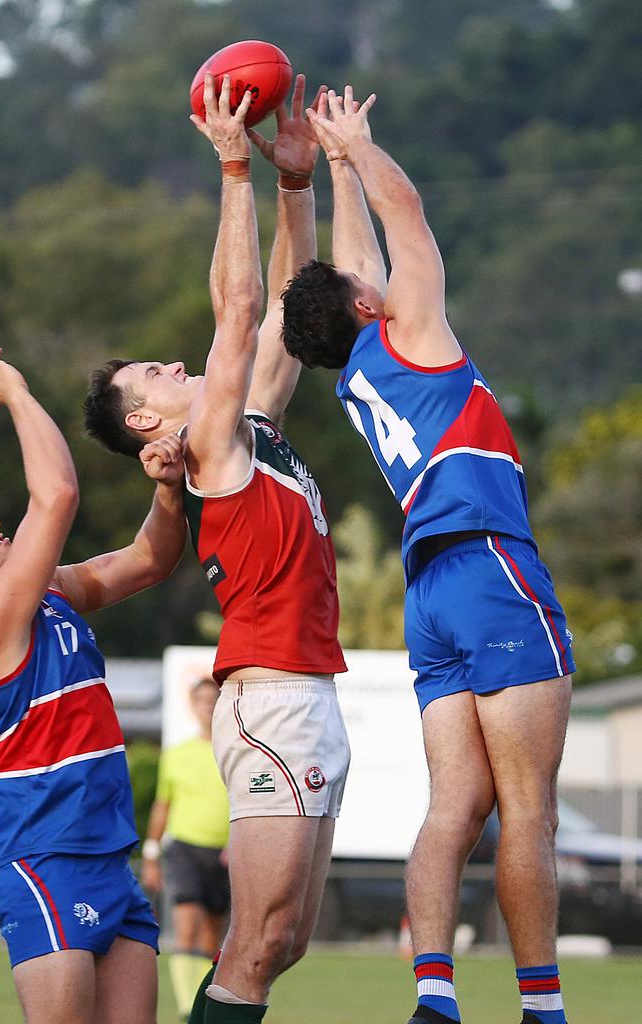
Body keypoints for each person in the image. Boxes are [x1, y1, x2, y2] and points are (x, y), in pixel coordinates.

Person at [281, 88, 575, 1024]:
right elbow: (404, 224)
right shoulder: (415, 336)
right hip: (490, 568)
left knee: (455, 807)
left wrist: (331, 166)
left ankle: (435, 999)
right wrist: (364, 151)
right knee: (528, 811)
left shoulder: (360, 371)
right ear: (370, 305)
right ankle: (543, 1010)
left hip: (429, 591)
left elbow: (358, 261)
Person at [84, 74, 350, 1024]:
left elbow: (286, 312)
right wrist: (232, 166)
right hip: (270, 698)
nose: (173, 360)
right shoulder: (209, 448)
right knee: (254, 939)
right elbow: (237, 310)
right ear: (149, 418)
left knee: (285, 941)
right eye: (152, 373)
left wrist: (291, 185)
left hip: (305, 691)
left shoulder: (250, 427)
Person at [0, 348, 187, 1024]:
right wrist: (17, 393)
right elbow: (57, 494)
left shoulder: (50, 594)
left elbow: (150, 560)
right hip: (44, 852)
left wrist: (168, 490)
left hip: (107, 852)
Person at [142, 677, 230, 1022]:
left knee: (212, 936)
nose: (208, 705)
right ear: (193, 706)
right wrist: (150, 854)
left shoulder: (233, 750)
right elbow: (162, 806)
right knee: (186, 924)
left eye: (213, 699)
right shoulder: (176, 754)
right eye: (202, 700)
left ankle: (203, 1004)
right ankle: (184, 1007)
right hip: (185, 847)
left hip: (223, 852)